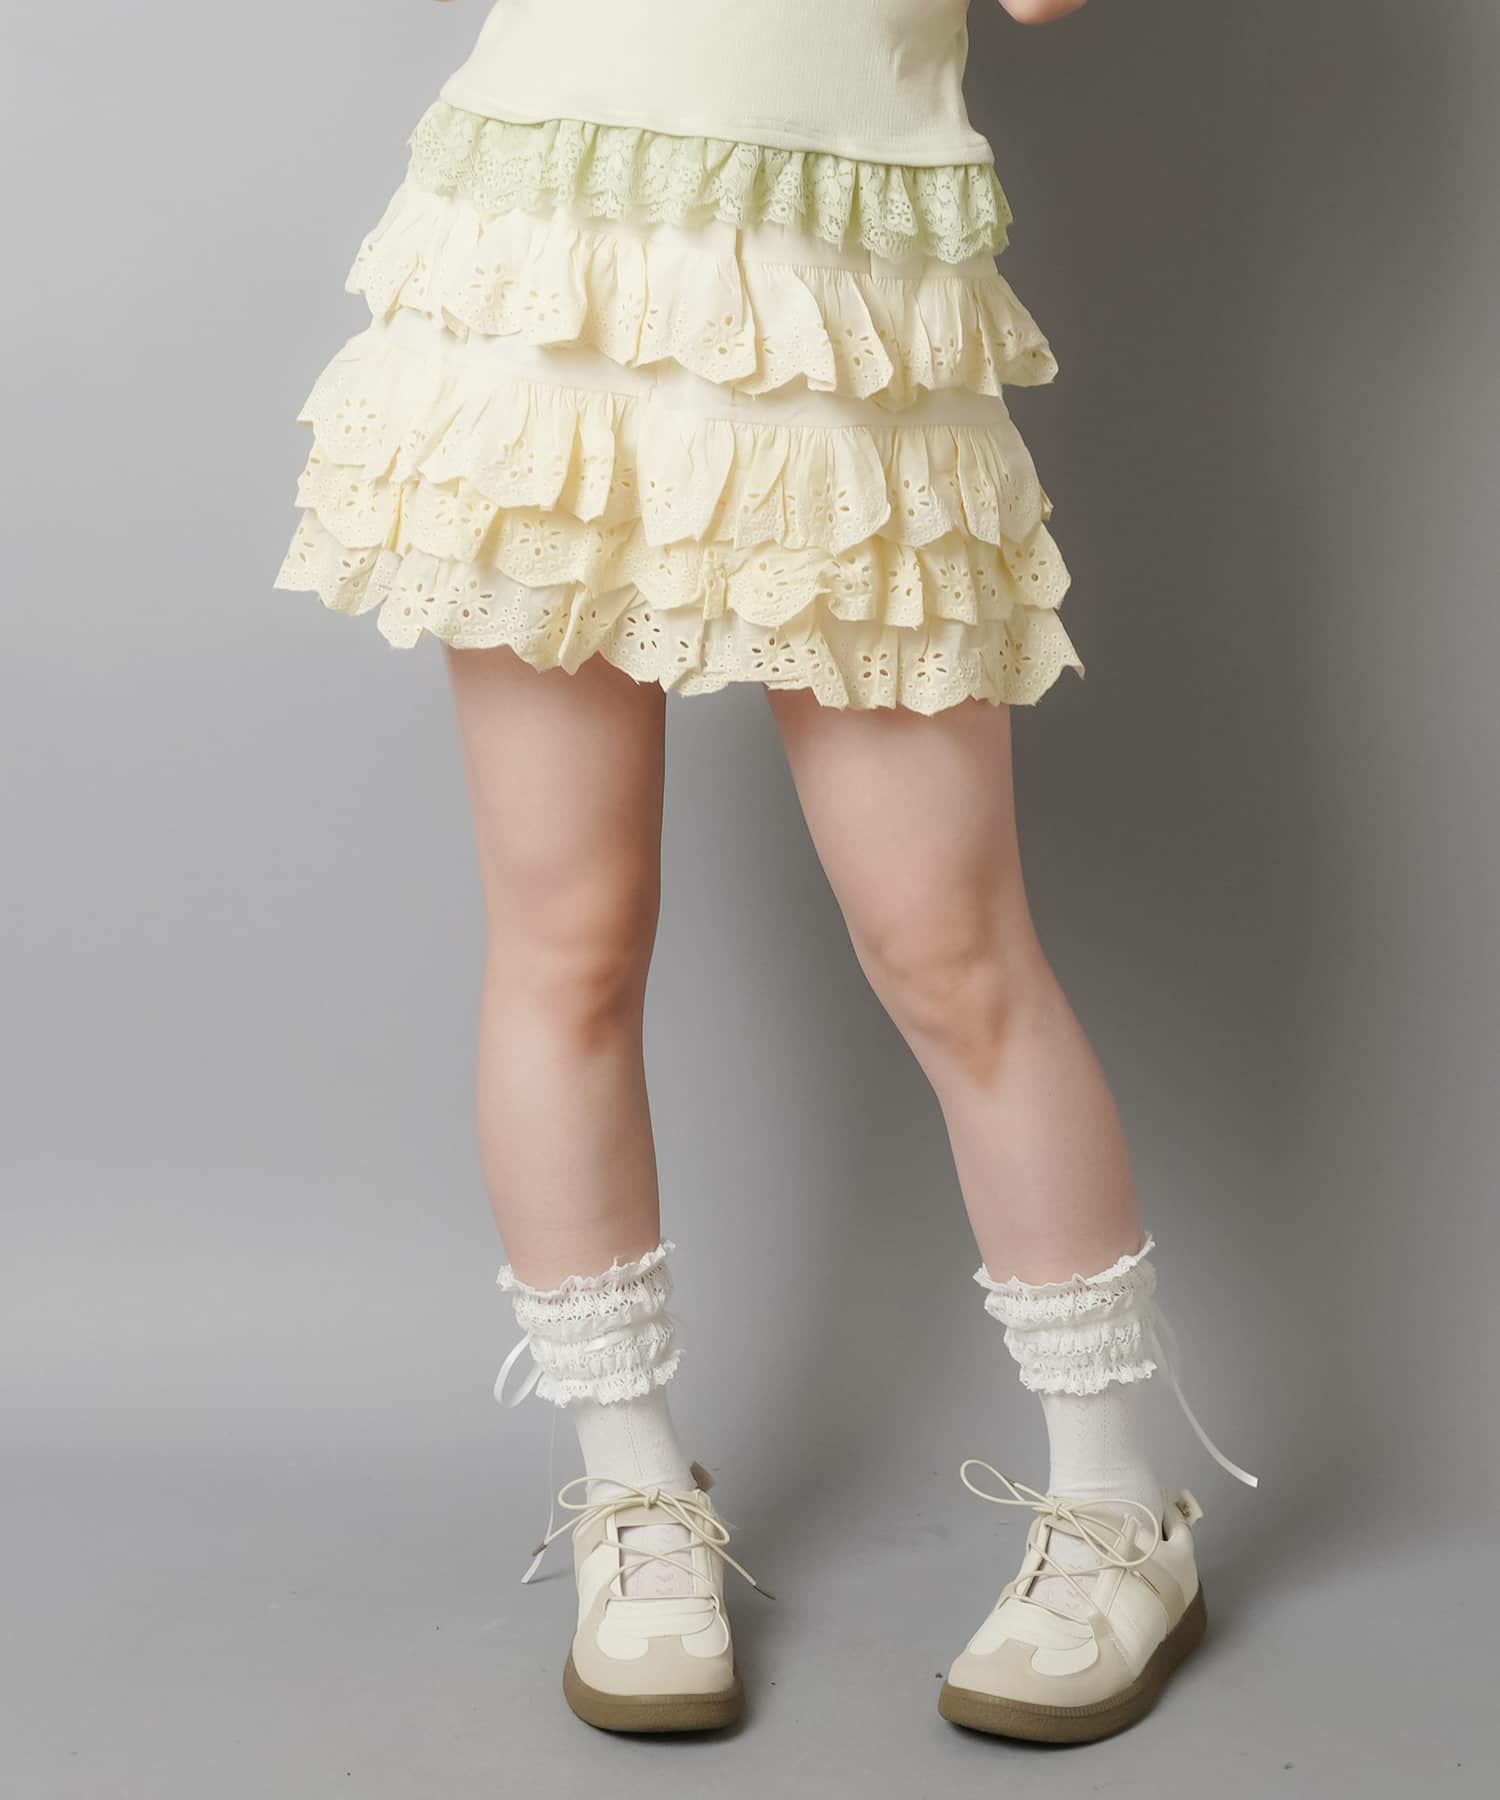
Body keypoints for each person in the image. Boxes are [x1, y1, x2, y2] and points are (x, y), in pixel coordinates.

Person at [276, 0, 1254, 1743]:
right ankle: (632, 1496)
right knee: (571, 937)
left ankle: (1120, 1515)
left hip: (840, 292)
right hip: (549, 255)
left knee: (949, 950)